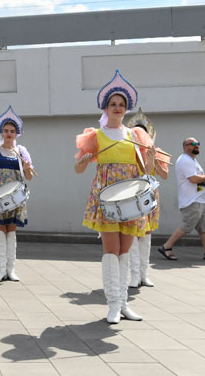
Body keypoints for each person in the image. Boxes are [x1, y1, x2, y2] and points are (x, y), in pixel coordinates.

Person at [74, 70, 156, 324]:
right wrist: (85, 161)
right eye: (113, 104)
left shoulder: (135, 135)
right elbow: (78, 168)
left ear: (126, 108)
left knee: (125, 251)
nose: (118, 108)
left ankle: (123, 304)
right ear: (106, 108)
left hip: (130, 199)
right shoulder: (96, 136)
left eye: (121, 104)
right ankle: (112, 306)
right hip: (107, 199)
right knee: (111, 251)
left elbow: (146, 171)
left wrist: (151, 158)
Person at [0, 106, 35, 282]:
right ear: (1, 132)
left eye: (12, 131)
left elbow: (29, 177)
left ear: (17, 133)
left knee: (11, 231)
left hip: (16, 197)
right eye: (6, 130)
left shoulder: (21, 152)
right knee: (0, 231)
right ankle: (0, 269)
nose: (9, 133)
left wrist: (27, 169)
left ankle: (11, 270)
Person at [158, 137, 205, 261]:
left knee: (204, 228)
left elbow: (198, 178)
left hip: (200, 200)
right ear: (185, 147)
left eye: (198, 143)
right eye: (193, 143)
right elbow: (193, 179)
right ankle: (166, 246)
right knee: (187, 225)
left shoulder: (192, 161)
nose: (196, 145)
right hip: (191, 200)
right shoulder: (184, 160)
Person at [125, 108, 169, 288]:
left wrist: (154, 159)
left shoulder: (157, 151)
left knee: (147, 233)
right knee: (134, 232)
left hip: (149, 194)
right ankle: (135, 275)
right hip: (132, 194)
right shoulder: (128, 151)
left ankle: (144, 273)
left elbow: (164, 175)